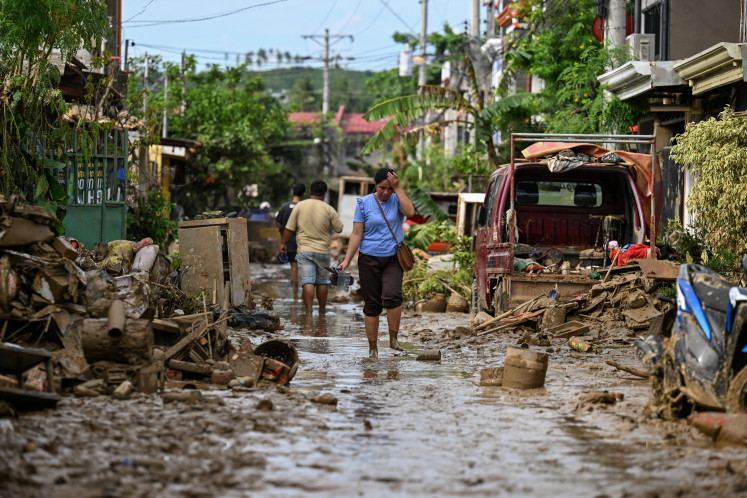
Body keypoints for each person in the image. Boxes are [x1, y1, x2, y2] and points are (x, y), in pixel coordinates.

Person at [338, 168, 415, 358]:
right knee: (371, 304)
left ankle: (393, 339)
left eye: (389, 188)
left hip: (393, 258)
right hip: (368, 258)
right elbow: (357, 234)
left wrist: (398, 188)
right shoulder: (364, 203)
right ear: (375, 184)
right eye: (382, 188)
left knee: (392, 296)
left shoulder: (397, 199)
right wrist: (347, 260)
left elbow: (411, 212)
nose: (386, 192)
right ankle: (373, 348)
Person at [280, 180, 343, 313]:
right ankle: (321, 311)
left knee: (307, 280)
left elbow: (289, 228)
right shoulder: (329, 209)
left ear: (309, 192)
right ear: (324, 194)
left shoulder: (300, 206)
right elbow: (339, 228)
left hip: (305, 251)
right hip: (323, 252)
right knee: (322, 281)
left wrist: (283, 243)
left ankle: (308, 312)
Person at [276, 183, 305, 300]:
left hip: (289, 243)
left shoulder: (284, 207)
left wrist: (283, 239)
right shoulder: (304, 207)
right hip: (304, 243)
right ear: (304, 194)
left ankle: (295, 296)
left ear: (293, 192)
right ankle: (305, 295)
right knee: (305, 269)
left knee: (294, 268)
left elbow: (279, 225)